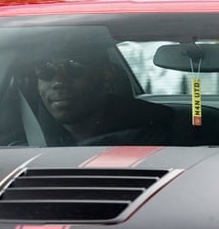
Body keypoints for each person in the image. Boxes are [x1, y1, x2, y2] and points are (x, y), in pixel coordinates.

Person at [30, 34, 174, 146]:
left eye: (74, 68)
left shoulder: (154, 131)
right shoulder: (25, 136)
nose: (58, 82)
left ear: (106, 76)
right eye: (45, 71)